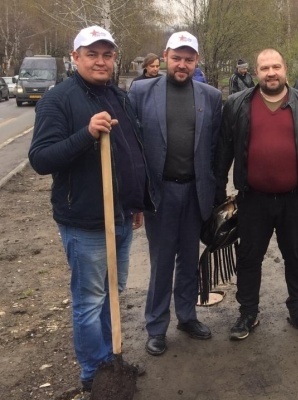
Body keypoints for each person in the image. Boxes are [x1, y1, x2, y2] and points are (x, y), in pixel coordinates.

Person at [28, 25, 150, 394]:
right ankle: (94, 373)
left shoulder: (118, 95)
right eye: (92, 54)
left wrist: (136, 201)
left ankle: (110, 359)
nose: (100, 61)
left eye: (106, 54)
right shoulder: (58, 100)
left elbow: (130, 152)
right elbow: (40, 159)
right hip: (86, 222)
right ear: (75, 57)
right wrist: (86, 134)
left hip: (121, 215)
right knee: (90, 300)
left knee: (114, 293)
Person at [215, 48, 298, 340]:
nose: (271, 73)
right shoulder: (237, 104)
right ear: (256, 73)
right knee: (249, 258)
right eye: (264, 68)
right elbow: (223, 151)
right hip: (253, 199)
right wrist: (218, 192)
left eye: (276, 67)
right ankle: (248, 313)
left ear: (285, 69)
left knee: (296, 256)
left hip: (296, 198)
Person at [128, 31, 223, 356]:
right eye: (177, 58)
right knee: (162, 261)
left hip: (195, 192)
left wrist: (214, 193)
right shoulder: (141, 92)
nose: (182, 64)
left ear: (197, 61)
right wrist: (135, 195)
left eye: (189, 59)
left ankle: (187, 316)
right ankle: (156, 327)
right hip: (160, 193)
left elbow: (213, 148)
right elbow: (132, 146)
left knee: (189, 259)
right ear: (166, 56)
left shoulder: (211, 96)